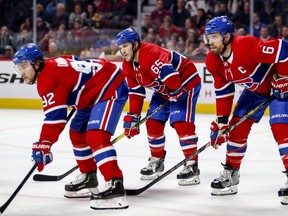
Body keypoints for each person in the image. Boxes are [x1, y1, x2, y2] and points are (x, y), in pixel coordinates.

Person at [13, 43, 129, 210]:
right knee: (77, 132)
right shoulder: (51, 64)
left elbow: (55, 118)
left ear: (37, 63)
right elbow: (72, 60)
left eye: (24, 66)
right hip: (93, 91)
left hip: (110, 86)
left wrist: (44, 144)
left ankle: (115, 185)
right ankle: (89, 176)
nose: (21, 73)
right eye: (19, 68)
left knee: (96, 135)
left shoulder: (47, 78)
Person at [204, 15, 288, 205]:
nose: (210, 42)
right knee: (235, 130)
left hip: (279, 86)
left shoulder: (246, 46)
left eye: (215, 37)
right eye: (208, 37)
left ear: (227, 37)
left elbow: (283, 48)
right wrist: (222, 122)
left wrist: (284, 76)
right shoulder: (213, 61)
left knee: (281, 128)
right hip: (255, 92)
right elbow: (224, 91)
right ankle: (231, 174)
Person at [115, 28, 202, 186]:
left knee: (182, 123)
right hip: (164, 90)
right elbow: (136, 93)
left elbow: (170, 74)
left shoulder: (150, 53)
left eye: (125, 46)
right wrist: (133, 117)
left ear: (135, 45)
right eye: (120, 47)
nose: (122, 51)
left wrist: (175, 91)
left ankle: (192, 165)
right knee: (153, 122)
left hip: (185, 83)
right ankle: (157, 161)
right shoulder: (128, 66)